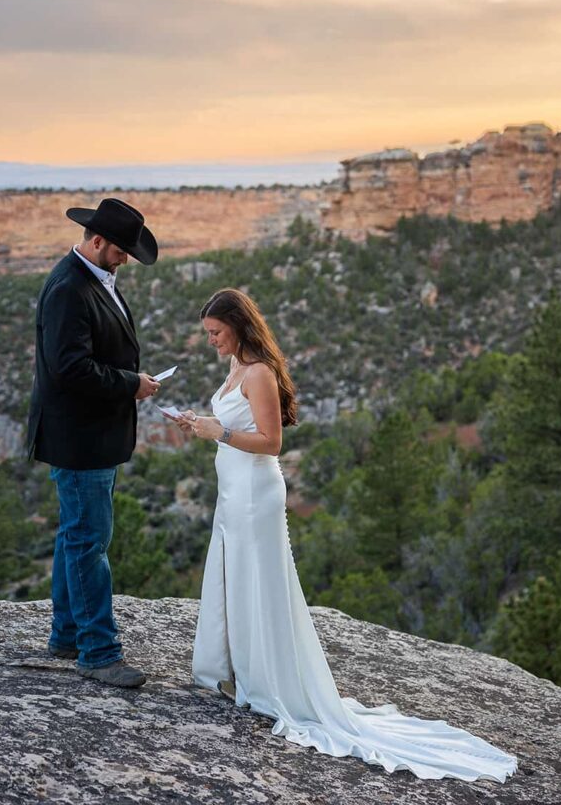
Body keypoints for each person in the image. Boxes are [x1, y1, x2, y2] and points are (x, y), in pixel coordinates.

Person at [175, 288, 517, 782]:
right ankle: (236, 670)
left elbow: (271, 442)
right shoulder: (234, 367)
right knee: (234, 577)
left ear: (239, 326)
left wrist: (220, 433)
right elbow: (233, 422)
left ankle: (266, 681)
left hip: (254, 492)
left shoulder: (260, 373)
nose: (210, 341)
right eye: (208, 334)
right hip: (231, 491)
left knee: (258, 582)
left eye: (216, 332)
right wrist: (203, 425)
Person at [27, 198, 161, 688]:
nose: (126, 258)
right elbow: (70, 369)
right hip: (80, 438)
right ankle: (99, 652)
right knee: (88, 542)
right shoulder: (69, 287)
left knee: (75, 534)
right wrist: (131, 384)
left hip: (90, 435)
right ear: (97, 240)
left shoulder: (92, 278)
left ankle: (66, 634)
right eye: (121, 250)